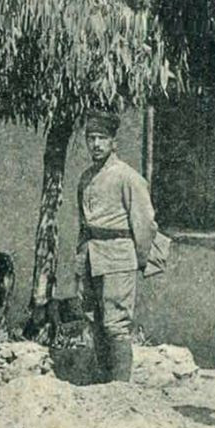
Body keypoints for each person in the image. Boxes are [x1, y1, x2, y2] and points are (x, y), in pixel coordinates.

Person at [73, 110, 157, 384]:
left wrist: (139, 260)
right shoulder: (86, 178)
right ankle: (103, 382)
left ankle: (120, 388)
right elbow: (82, 224)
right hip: (91, 256)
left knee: (116, 324)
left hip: (119, 256)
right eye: (91, 138)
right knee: (94, 319)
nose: (96, 144)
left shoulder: (127, 177)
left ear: (113, 143)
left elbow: (144, 223)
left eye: (102, 138)